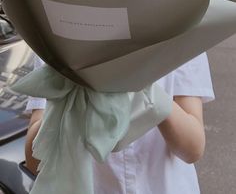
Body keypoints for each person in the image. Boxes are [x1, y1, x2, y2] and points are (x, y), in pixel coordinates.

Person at [25, 52, 214, 194]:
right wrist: (68, 101)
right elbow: (33, 161)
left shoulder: (183, 24)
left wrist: (151, 93)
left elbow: (193, 148)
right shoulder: (56, 36)